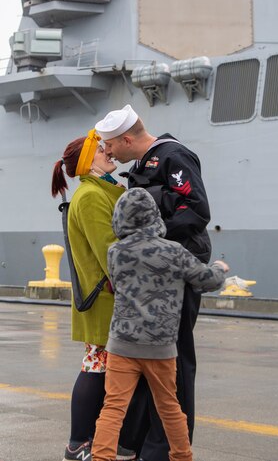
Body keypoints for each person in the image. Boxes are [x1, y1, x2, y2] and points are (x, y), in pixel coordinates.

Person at [95, 105, 212, 461]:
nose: (108, 152)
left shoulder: (173, 157)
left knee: (174, 362)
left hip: (174, 275)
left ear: (127, 139)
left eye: (110, 146)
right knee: (145, 363)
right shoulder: (144, 165)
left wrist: (150, 241)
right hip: (152, 276)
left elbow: (195, 209)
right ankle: (138, 441)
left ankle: (166, 448)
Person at [91, 187, 229, 461]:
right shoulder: (174, 251)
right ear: (154, 217)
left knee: (113, 408)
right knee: (169, 407)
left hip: (122, 345)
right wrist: (219, 269)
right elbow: (205, 280)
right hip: (160, 347)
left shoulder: (114, 252)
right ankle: (181, 456)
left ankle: (100, 457)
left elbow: (117, 285)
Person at [51, 129, 136, 461]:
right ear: (89, 160)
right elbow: (109, 252)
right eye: (102, 150)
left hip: (106, 298)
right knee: (95, 368)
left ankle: (90, 441)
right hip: (104, 299)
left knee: (100, 368)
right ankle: (78, 444)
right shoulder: (90, 196)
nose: (109, 153)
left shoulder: (102, 191)